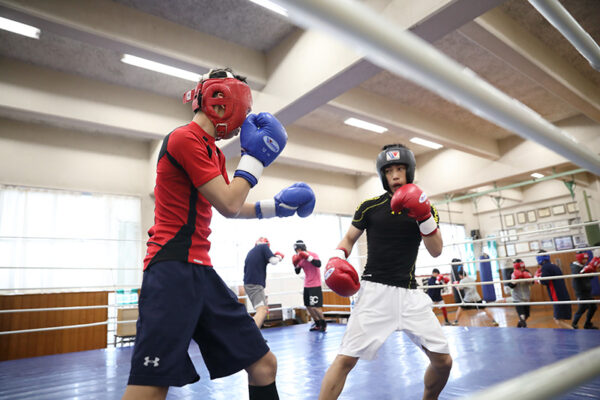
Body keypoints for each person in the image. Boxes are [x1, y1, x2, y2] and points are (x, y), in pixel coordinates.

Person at [122, 67, 316, 400]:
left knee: (263, 365)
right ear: (223, 103)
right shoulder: (183, 138)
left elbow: (231, 203)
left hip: (200, 272)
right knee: (150, 388)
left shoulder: (210, 150)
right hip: (171, 269)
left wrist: (276, 207)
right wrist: (255, 159)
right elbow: (228, 202)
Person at [319, 144, 452, 400]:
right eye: (389, 170)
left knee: (443, 362)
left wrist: (423, 215)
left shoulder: (426, 209)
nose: (395, 176)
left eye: (400, 169)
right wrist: (336, 258)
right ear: (383, 175)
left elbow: (436, 250)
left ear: (409, 171)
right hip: (374, 293)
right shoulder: (369, 207)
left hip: (411, 295)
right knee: (345, 360)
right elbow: (348, 239)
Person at [243, 237, 285, 328]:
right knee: (261, 310)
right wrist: (279, 256)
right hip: (255, 284)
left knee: (263, 309)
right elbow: (274, 261)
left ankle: (255, 335)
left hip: (251, 284)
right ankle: (251, 335)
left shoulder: (252, 252)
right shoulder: (263, 247)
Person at [292, 240, 326, 332]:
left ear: (301, 248)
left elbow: (318, 264)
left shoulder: (313, 254)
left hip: (315, 284)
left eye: (298, 250)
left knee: (315, 306)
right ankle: (317, 323)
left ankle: (323, 324)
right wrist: (295, 265)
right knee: (308, 306)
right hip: (307, 285)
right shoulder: (299, 258)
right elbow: (297, 272)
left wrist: (308, 257)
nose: (297, 252)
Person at [535, 250, 572, 329]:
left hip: (557, 297)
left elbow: (545, 281)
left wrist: (537, 279)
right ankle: (566, 338)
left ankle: (574, 333)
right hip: (563, 295)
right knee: (560, 319)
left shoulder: (545, 267)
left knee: (558, 320)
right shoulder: (554, 266)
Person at [570, 250, 599, 329]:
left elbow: (589, 277)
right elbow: (576, 276)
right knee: (582, 308)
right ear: (579, 259)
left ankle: (587, 323)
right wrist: (584, 271)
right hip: (581, 292)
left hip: (587, 291)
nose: (585, 261)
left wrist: (592, 270)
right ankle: (574, 324)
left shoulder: (583, 266)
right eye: (584, 259)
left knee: (593, 307)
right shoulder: (575, 266)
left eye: (586, 259)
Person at [506, 259, 533, 328]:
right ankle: (524, 327)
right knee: (522, 315)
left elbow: (532, 283)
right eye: (519, 268)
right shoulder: (511, 273)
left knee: (527, 315)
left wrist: (527, 278)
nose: (521, 269)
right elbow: (510, 286)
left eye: (522, 267)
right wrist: (516, 279)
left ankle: (520, 323)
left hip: (526, 297)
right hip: (517, 297)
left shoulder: (527, 272)